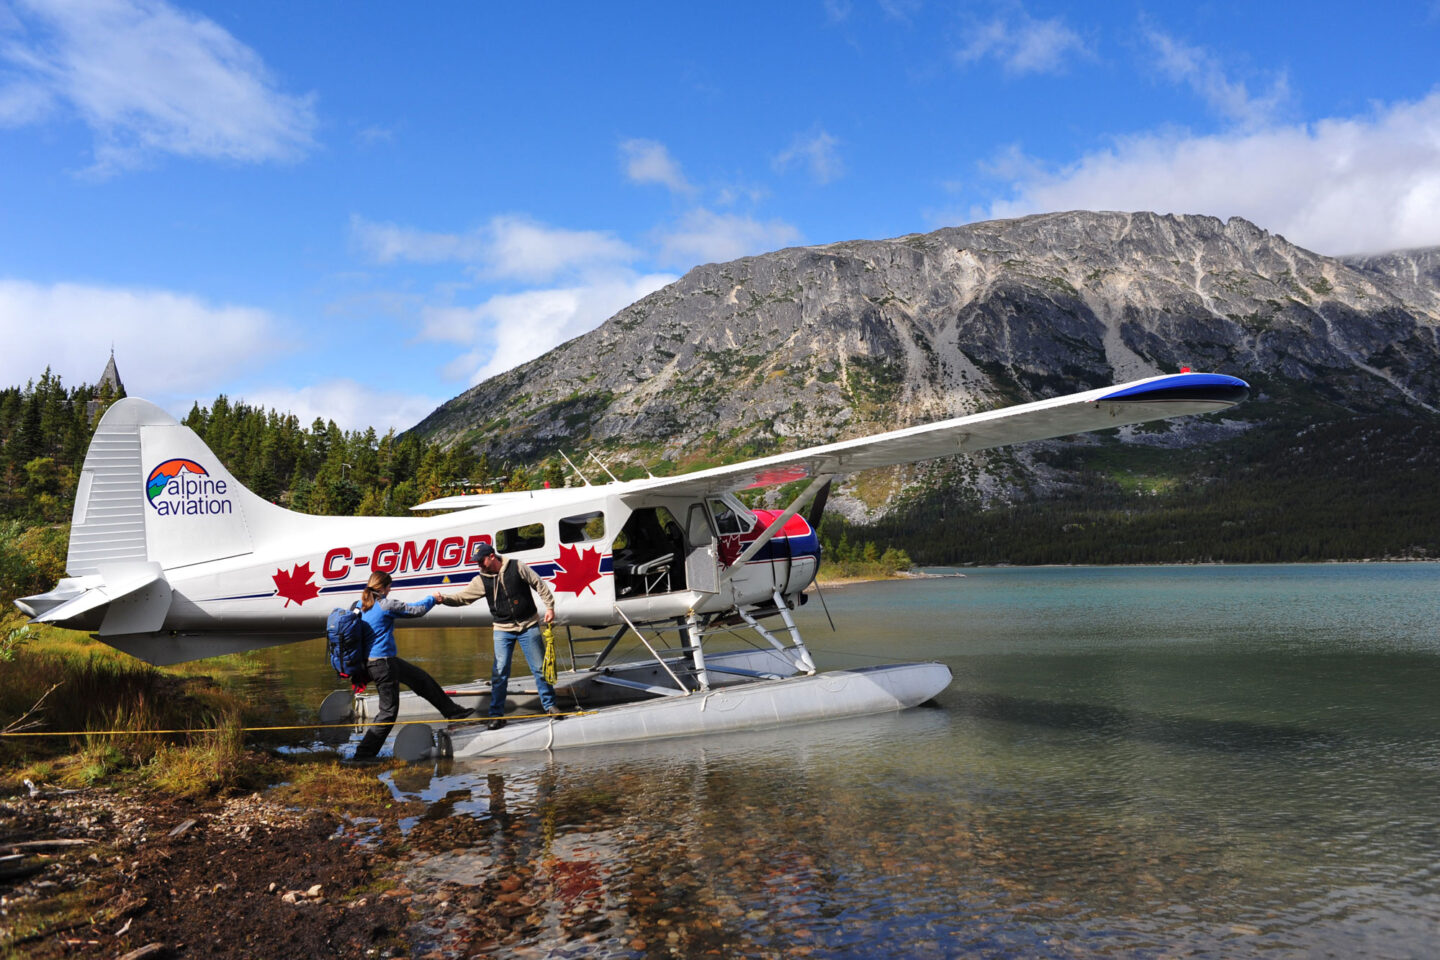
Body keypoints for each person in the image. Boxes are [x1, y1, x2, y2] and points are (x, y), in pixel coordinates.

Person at [433, 542, 560, 730]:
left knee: (540, 669)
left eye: (481, 561)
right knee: (499, 674)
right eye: (477, 562)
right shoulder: (481, 579)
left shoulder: (517, 567)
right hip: (502, 629)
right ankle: (496, 715)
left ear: (492, 556)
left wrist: (549, 606)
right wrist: (444, 599)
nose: (479, 565)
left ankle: (550, 706)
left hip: (528, 624)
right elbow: (463, 598)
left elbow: (538, 584)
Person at [351, 570, 474, 760]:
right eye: (389, 587)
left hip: (374, 663)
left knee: (421, 679)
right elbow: (417, 610)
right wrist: (432, 598)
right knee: (388, 712)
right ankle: (363, 755)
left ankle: (453, 712)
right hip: (383, 664)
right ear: (383, 588)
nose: (390, 590)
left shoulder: (359, 605)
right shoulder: (385, 605)